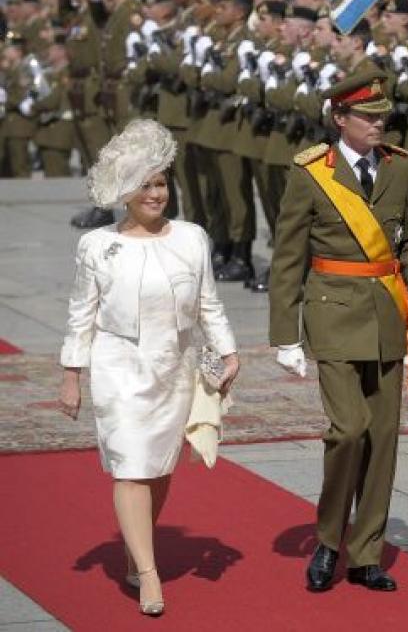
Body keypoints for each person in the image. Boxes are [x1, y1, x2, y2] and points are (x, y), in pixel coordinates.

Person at [58, 119, 239, 616]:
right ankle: (148, 571)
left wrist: (228, 352)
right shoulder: (97, 245)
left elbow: (208, 304)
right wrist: (71, 373)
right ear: (125, 191)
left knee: (158, 468)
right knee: (132, 466)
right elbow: (82, 313)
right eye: (145, 184)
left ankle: (138, 550)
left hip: (174, 366)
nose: (156, 193)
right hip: (118, 367)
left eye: (161, 183)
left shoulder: (191, 237)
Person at [269, 67, 408, 593]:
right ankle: (327, 540)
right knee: (348, 430)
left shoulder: (399, 168)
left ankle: (365, 553)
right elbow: (288, 256)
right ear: (339, 118)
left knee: (383, 436)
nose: (378, 123)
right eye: (367, 116)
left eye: (382, 115)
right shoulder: (311, 172)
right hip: (334, 311)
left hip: (387, 314)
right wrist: (285, 334)